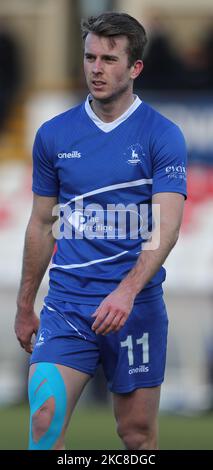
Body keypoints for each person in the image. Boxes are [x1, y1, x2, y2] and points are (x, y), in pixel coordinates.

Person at [14, 12, 187, 450]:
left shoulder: (162, 135)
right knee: (44, 418)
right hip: (67, 308)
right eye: (90, 57)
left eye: (109, 59)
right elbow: (40, 223)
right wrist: (24, 304)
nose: (96, 68)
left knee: (136, 436)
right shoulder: (54, 135)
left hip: (135, 309)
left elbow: (166, 227)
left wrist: (127, 291)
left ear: (135, 68)